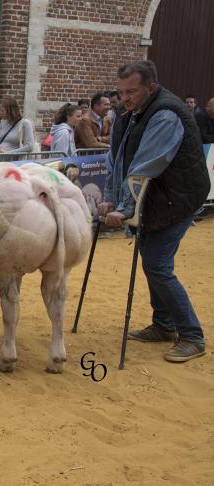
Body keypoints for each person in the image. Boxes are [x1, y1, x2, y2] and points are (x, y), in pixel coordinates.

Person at [98, 60, 208, 363]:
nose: (125, 98)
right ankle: (164, 325)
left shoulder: (165, 114)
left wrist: (123, 208)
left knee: (158, 265)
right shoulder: (129, 113)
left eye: (132, 92)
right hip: (157, 200)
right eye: (121, 92)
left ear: (151, 87)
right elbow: (116, 159)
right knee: (152, 261)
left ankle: (192, 335)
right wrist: (109, 198)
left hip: (178, 199)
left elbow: (145, 165)